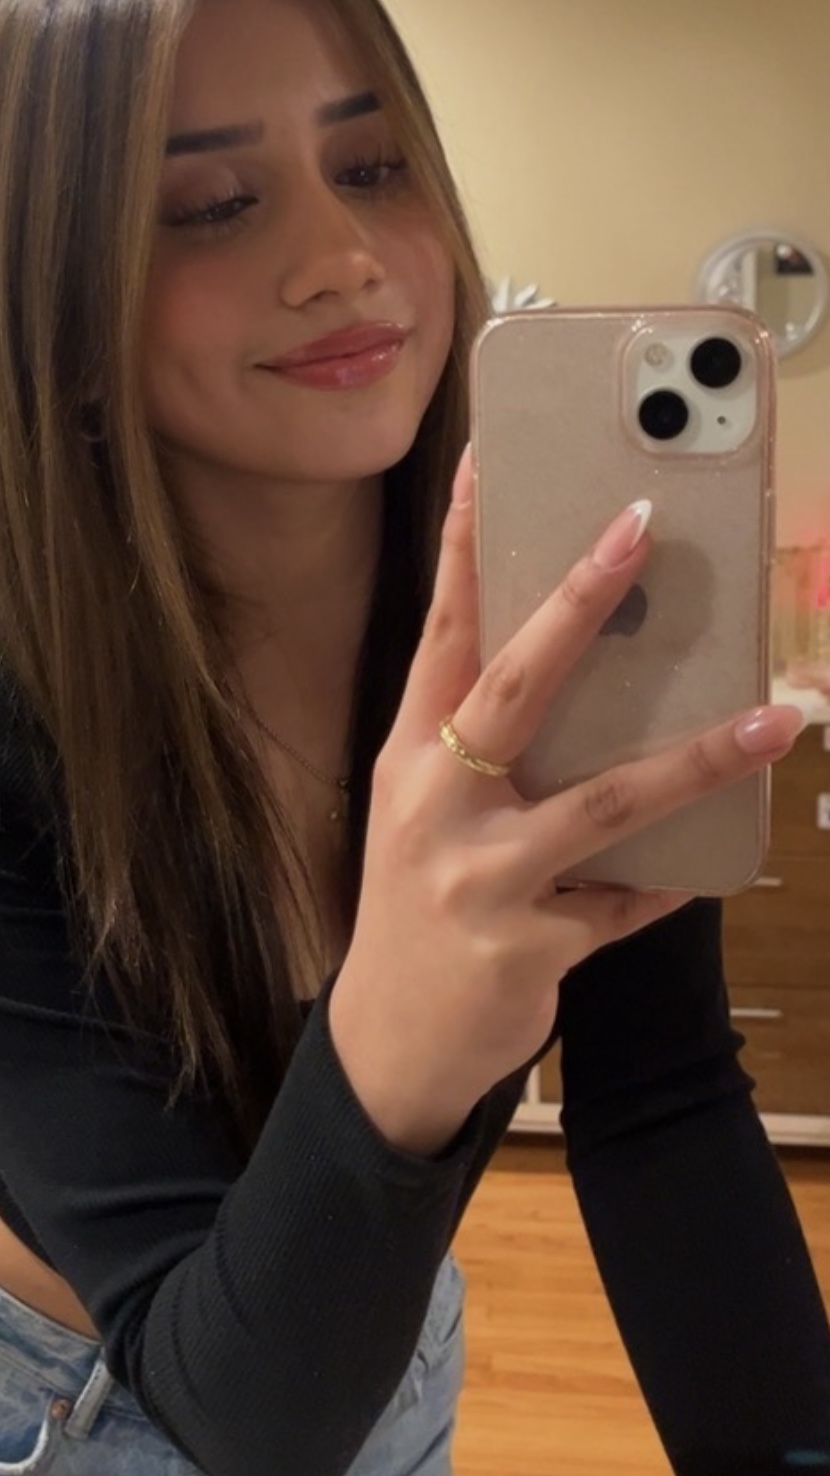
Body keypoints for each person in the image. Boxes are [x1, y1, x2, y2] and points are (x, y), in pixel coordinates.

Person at [0, 1, 827, 1474]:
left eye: (374, 168)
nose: (341, 258)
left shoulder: (552, 632)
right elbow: (237, 1409)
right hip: (72, 1397)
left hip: (382, 1325)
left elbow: (661, 1102)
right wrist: (398, 1012)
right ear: (51, 291)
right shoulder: (23, 707)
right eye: (214, 203)